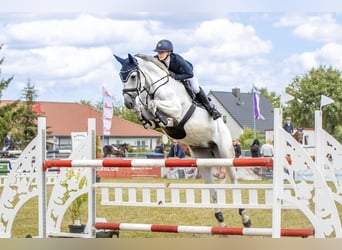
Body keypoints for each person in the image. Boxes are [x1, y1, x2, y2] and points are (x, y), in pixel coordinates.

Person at [153, 39, 221, 120]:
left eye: (162, 52)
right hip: (175, 77)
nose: (159, 54)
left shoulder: (178, 59)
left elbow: (189, 74)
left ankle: (211, 109)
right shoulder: (156, 59)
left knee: (195, 88)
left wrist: (176, 77)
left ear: (169, 52)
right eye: (158, 52)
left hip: (188, 73)